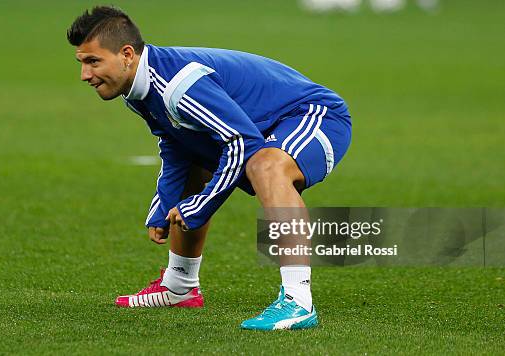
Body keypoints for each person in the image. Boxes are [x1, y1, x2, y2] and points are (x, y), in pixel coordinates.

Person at [67, 5, 351, 330]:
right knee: (195, 157)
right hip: (263, 126)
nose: (85, 75)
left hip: (314, 115)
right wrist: (163, 208)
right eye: (82, 63)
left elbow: (241, 143)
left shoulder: (176, 85)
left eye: (93, 62)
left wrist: (198, 206)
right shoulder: (137, 90)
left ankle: (298, 301)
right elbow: (175, 145)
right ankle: (180, 286)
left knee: (265, 166)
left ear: (127, 54)